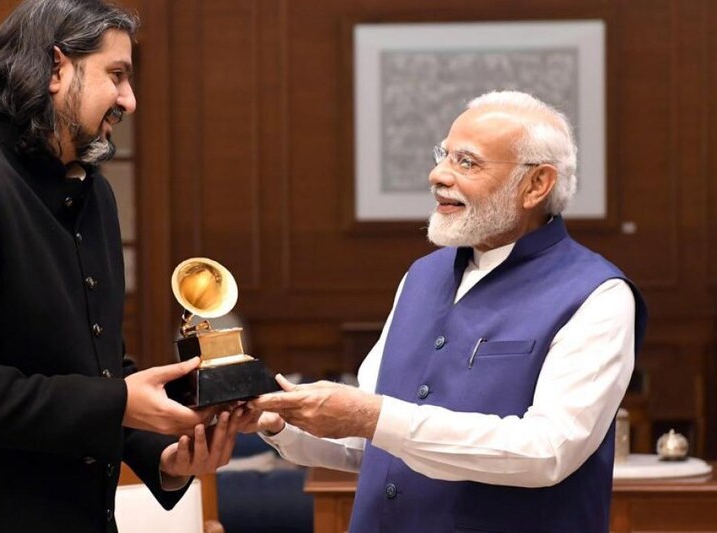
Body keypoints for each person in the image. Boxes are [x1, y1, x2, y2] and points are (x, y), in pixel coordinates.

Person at [0, 1, 250, 532]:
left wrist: (166, 459)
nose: (129, 99)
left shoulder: (94, 193)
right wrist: (120, 403)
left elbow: (96, 368)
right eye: (117, 75)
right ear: (58, 68)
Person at [250, 90, 648, 533]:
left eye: (468, 162)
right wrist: (279, 421)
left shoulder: (598, 294)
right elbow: (373, 443)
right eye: (443, 154)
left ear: (537, 185)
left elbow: (548, 451)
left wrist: (371, 416)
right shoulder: (422, 276)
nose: (437, 174)